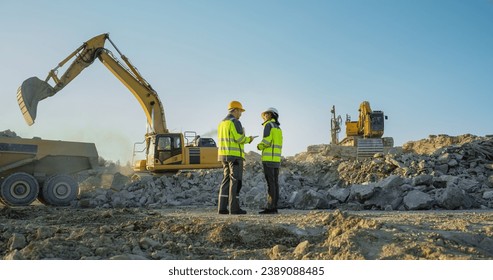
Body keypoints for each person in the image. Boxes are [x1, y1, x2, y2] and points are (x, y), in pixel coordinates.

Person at [217, 101, 256, 215]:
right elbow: (239, 139)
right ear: (235, 110)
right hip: (235, 156)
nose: (241, 114)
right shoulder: (235, 122)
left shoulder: (222, 123)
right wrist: (249, 139)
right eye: (240, 111)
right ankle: (234, 208)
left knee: (226, 180)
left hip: (223, 155)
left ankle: (222, 208)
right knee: (235, 181)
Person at [257, 107, 283, 214]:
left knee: (270, 184)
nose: (264, 117)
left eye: (266, 114)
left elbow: (266, 141)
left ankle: (270, 207)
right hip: (276, 160)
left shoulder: (269, 125)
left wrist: (259, 146)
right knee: (275, 183)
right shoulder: (278, 128)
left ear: (271, 115)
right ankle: (274, 206)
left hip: (268, 159)